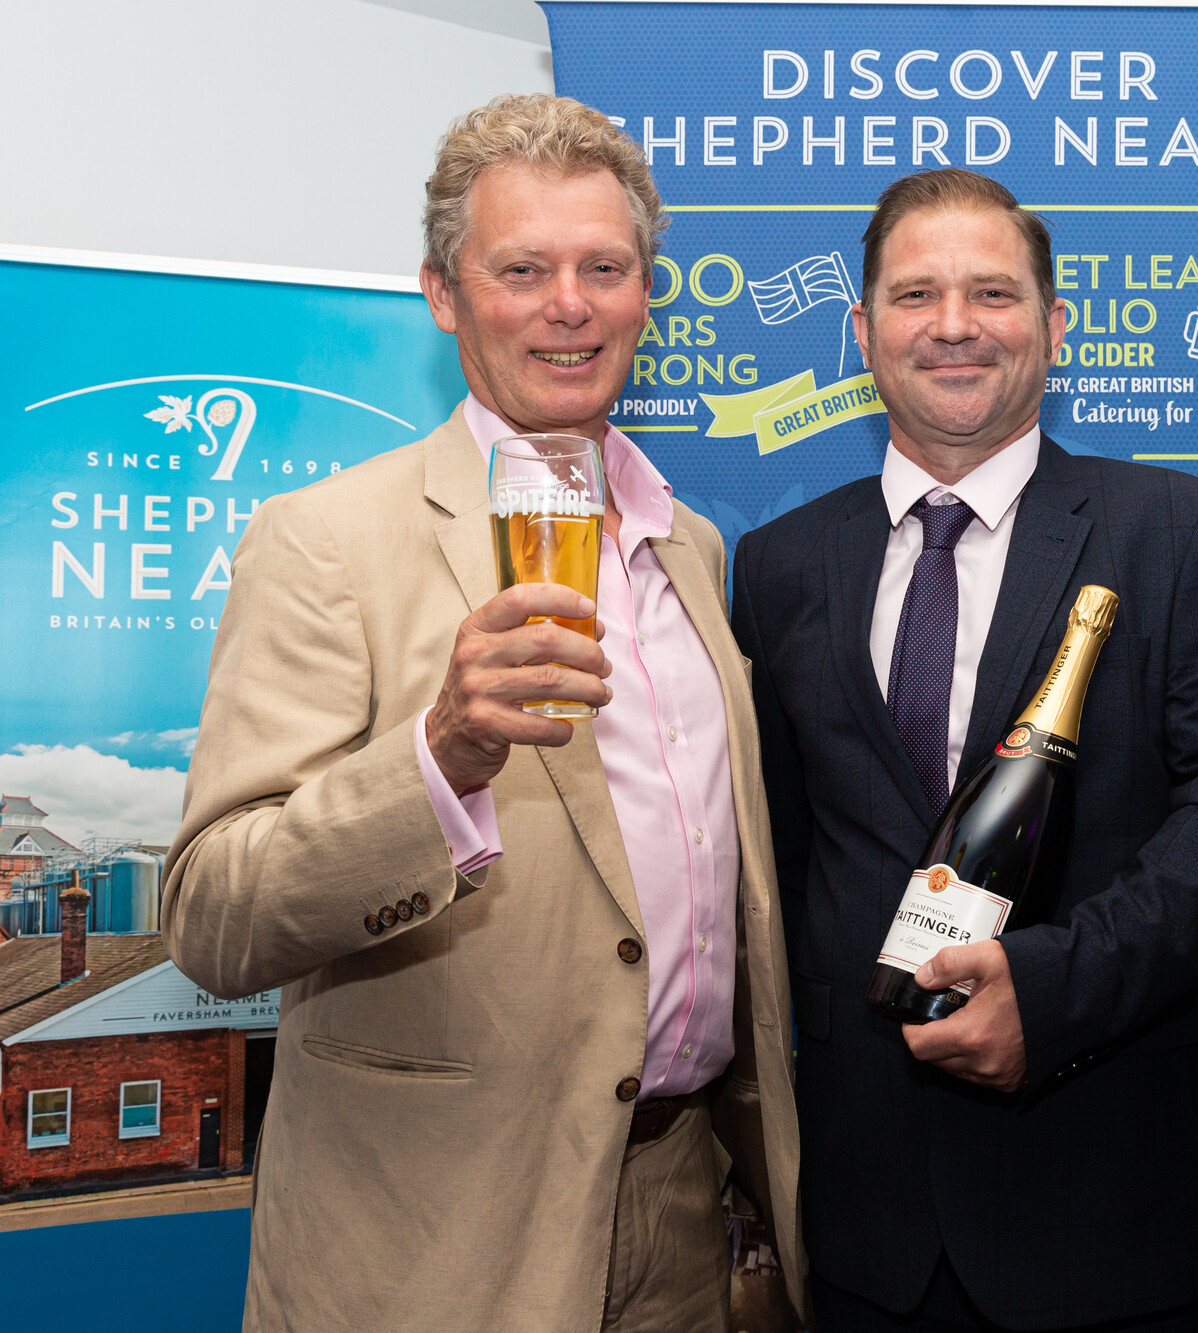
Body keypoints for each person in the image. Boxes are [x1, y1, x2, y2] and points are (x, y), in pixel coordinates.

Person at [163, 94, 801, 1333]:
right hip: (434, 1245)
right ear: (444, 295)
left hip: (683, 1215)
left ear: (642, 294)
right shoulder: (326, 542)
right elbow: (213, 917)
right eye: (522, 269)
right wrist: (437, 756)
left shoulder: (694, 546)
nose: (569, 303)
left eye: (604, 268)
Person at [731, 168, 1198, 1331]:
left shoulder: (1177, 531)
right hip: (861, 1215)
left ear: (1053, 324)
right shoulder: (777, 562)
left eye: (991, 292)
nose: (952, 326)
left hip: (1112, 1199)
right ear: (861, 330)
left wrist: (1048, 988)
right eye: (914, 293)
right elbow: (774, 862)